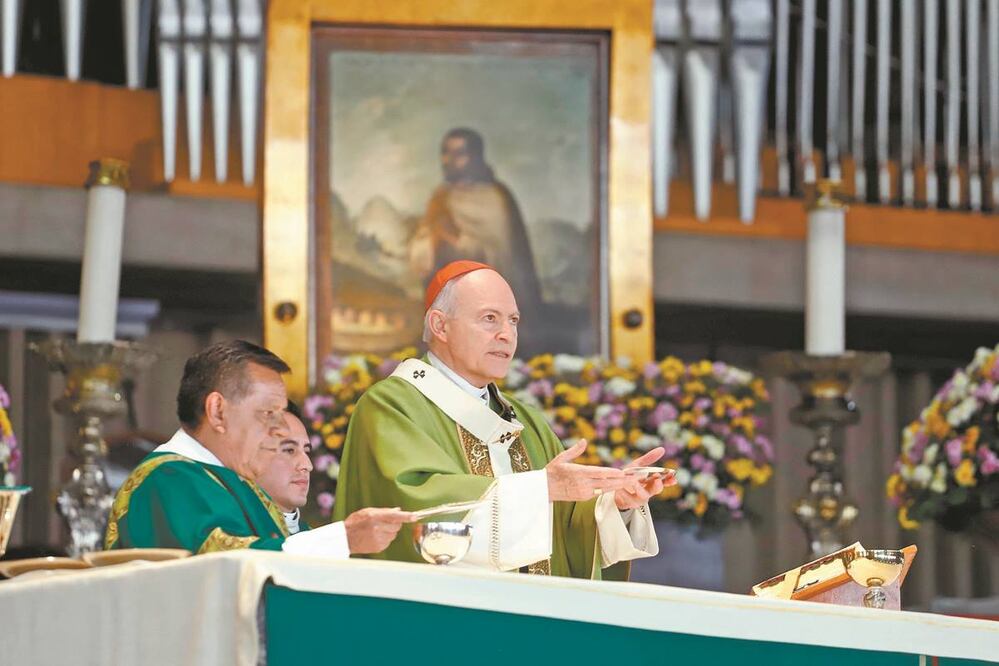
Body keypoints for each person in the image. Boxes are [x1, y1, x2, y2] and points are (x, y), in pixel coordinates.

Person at [334, 261, 674, 578]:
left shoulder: (525, 421)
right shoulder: (392, 407)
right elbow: (417, 513)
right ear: (440, 325)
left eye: (513, 321)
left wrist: (615, 504)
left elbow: (566, 528)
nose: (507, 334)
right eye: (489, 318)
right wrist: (542, 488)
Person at [105, 340, 411, 557]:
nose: (278, 430)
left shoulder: (237, 484)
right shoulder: (169, 478)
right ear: (217, 412)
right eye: (268, 414)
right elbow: (222, 562)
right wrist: (342, 539)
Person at [409, 128, 544, 328]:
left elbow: (502, 255)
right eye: (446, 152)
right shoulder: (441, 197)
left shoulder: (495, 198)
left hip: (487, 307)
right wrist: (431, 242)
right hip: (446, 307)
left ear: (475, 157)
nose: (449, 160)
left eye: (459, 154)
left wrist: (456, 241)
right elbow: (423, 245)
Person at [256, 402, 313, 535]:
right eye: (289, 450)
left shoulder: (315, 540)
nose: (307, 466)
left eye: (307, 451)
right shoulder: (235, 533)